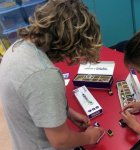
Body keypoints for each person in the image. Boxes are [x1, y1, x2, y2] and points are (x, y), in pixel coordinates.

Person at [0, 0, 104, 150]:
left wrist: (66, 112)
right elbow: (61, 141)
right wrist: (89, 137)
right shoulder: (44, 75)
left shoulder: (16, 48)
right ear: (69, 43)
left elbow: (33, 101)